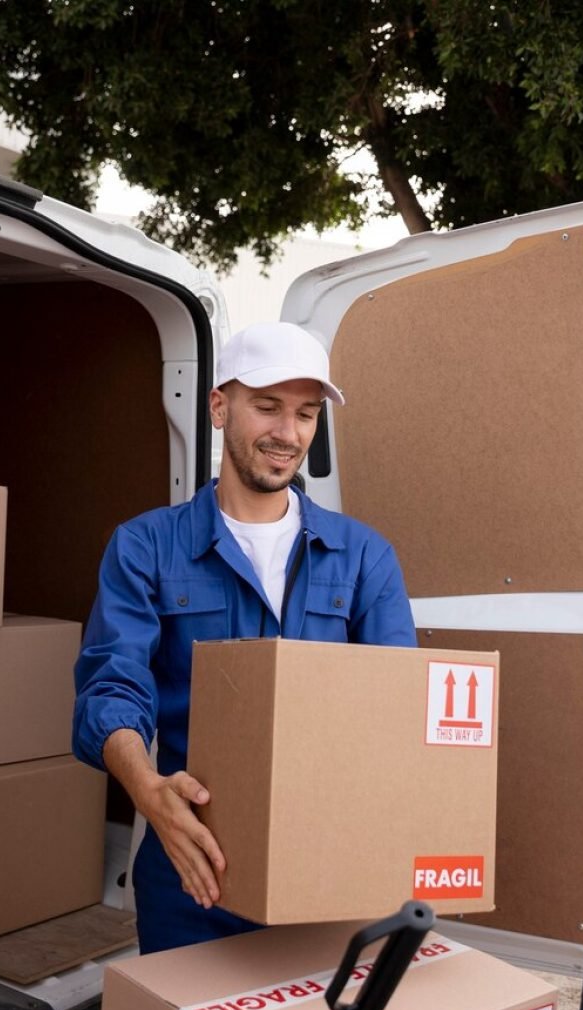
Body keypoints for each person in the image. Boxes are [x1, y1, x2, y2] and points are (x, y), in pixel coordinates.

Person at [72, 321, 416, 953]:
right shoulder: (146, 546)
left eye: (307, 414)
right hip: (192, 870)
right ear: (219, 407)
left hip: (328, 870)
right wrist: (148, 791)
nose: (289, 434)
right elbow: (111, 684)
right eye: (267, 407)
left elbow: (396, 705)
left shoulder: (364, 555)